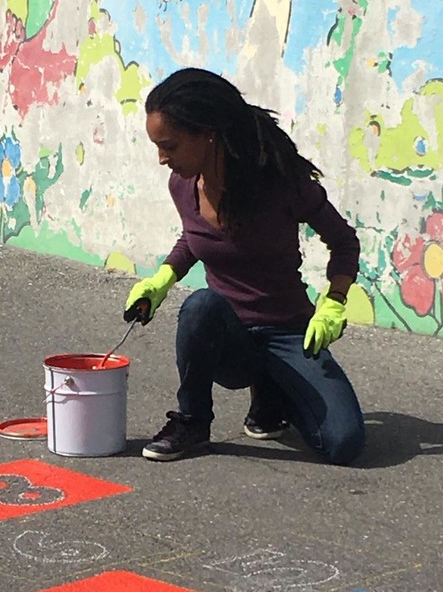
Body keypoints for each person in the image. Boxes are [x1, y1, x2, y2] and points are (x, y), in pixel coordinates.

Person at [124, 68, 365, 465]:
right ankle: (192, 421)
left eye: (170, 146)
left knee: (343, 444)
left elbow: (343, 241)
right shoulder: (182, 185)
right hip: (229, 337)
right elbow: (195, 238)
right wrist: (161, 279)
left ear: (208, 133)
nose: (162, 159)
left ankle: (273, 391)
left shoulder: (282, 183)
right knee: (201, 305)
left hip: (289, 331)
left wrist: (334, 301)